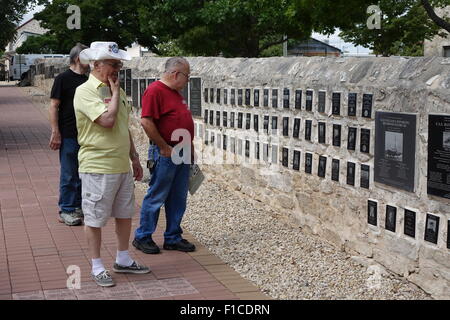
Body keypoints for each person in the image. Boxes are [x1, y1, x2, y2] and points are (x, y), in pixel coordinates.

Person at [74, 41, 150, 287]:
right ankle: (97, 265)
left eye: (119, 64)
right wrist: (115, 93)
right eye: (113, 64)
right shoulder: (85, 91)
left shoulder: (117, 89)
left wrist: (134, 157)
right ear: (96, 64)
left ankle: (123, 259)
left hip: (121, 165)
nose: (118, 69)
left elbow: (122, 127)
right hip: (97, 165)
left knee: (124, 214)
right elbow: (107, 120)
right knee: (95, 218)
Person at [133, 57, 196, 254]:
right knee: (157, 194)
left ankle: (173, 236)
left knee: (178, 197)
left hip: (182, 149)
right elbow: (146, 121)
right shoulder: (155, 91)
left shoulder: (176, 93)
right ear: (176, 74)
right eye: (187, 76)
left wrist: (190, 147)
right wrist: (163, 147)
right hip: (166, 151)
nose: (188, 81)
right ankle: (143, 236)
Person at [49, 43, 89, 226]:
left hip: (87, 134)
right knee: (69, 173)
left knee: (84, 172)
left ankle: (78, 205)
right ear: (76, 58)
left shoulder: (89, 80)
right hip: (68, 133)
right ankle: (66, 209)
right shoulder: (63, 79)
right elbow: (54, 106)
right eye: (86, 56)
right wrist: (56, 132)